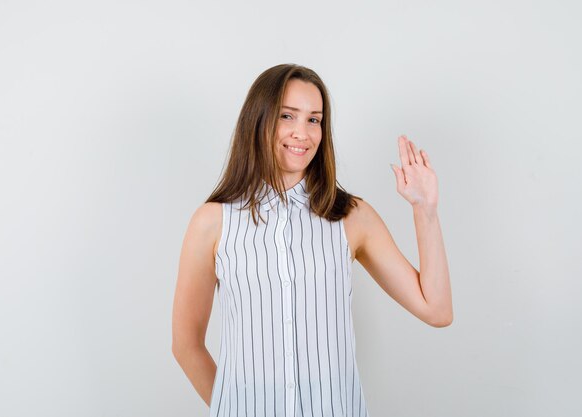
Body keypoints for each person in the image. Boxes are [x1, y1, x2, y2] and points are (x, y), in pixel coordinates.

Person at [172, 63, 453, 417]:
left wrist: (425, 210)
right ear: (258, 120)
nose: (302, 133)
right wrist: (234, 408)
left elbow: (437, 310)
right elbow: (186, 344)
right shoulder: (212, 222)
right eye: (287, 116)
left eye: (314, 119)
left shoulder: (352, 216)